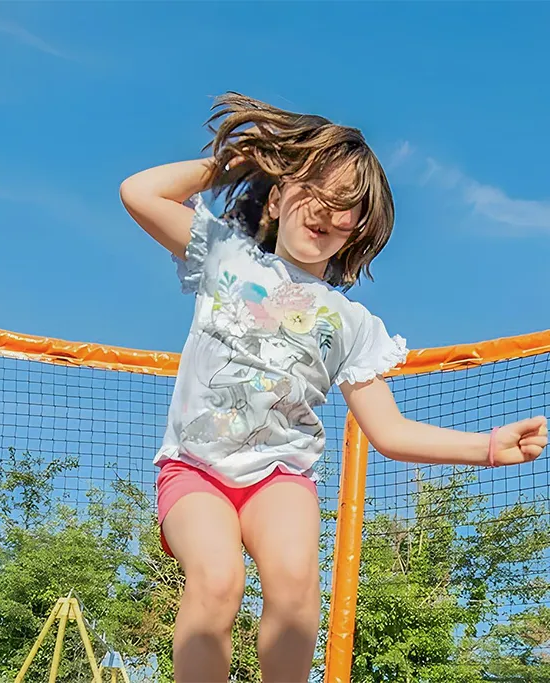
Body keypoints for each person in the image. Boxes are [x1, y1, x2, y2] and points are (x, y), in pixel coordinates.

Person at [120, 93, 548, 682]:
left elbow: (390, 432)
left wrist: (488, 446)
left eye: (347, 206)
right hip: (196, 469)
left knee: (296, 585)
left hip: (280, 476)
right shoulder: (225, 256)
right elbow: (139, 192)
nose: (326, 209)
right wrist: (242, 160)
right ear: (277, 197)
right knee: (218, 578)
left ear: (358, 230)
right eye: (314, 190)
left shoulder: (351, 324)